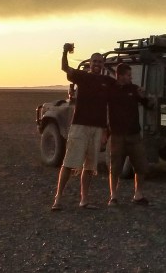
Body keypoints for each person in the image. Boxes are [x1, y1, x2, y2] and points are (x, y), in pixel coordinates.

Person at [51, 43, 115, 211]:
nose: (97, 64)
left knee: (90, 166)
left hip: (97, 129)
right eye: (94, 61)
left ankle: (84, 200)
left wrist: (105, 130)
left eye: (100, 62)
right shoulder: (82, 77)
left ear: (103, 65)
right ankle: (58, 199)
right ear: (90, 63)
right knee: (69, 162)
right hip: (79, 126)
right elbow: (65, 68)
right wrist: (64, 51)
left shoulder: (107, 82)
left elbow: (120, 88)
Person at [107, 63, 151, 206]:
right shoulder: (111, 89)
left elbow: (148, 105)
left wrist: (145, 97)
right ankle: (113, 196)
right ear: (120, 76)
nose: (131, 78)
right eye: (128, 75)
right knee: (115, 167)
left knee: (141, 165)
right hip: (117, 135)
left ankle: (138, 195)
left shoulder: (134, 89)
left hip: (134, 135)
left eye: (131, 75)